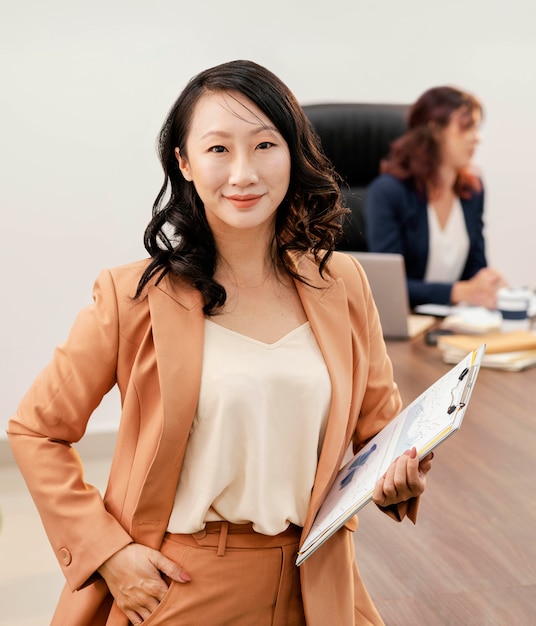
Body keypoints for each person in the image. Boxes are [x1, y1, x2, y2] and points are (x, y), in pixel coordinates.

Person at [7, 60, 433, 626]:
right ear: (184, 162)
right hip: (185, 585)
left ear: (293, 152)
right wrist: (108, 552)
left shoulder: (343, 284)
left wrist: (401, 471)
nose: (244, 173)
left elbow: (383, 432)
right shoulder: (133, 296)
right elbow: (36, 429)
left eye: (264, 145)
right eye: (218, 150)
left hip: (320, 579)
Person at [365, 86, 506, 309]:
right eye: (465, 127)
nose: (476, 138)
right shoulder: (388, 192)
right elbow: (390, 285)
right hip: (407, 327)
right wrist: (458, 291)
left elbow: (476, 266)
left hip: (457, 325)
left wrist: (488, 281)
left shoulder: (473, 191)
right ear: (435, 131)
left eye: (476, 128)